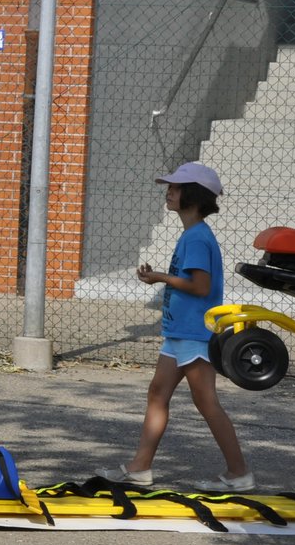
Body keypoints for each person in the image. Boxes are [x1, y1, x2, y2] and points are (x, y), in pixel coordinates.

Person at [99, 162, 253, 493]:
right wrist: (162, 277)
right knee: (158, 393)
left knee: (206, 402)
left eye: (176, 187)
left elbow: (199, 286)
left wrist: (159, 278)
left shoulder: (197, 238)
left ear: (193, 196)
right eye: (169, 186)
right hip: (179, 333)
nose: (169, 192)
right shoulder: (192, 235)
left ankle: (239, 472)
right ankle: (140, 468)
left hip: (194, 334)